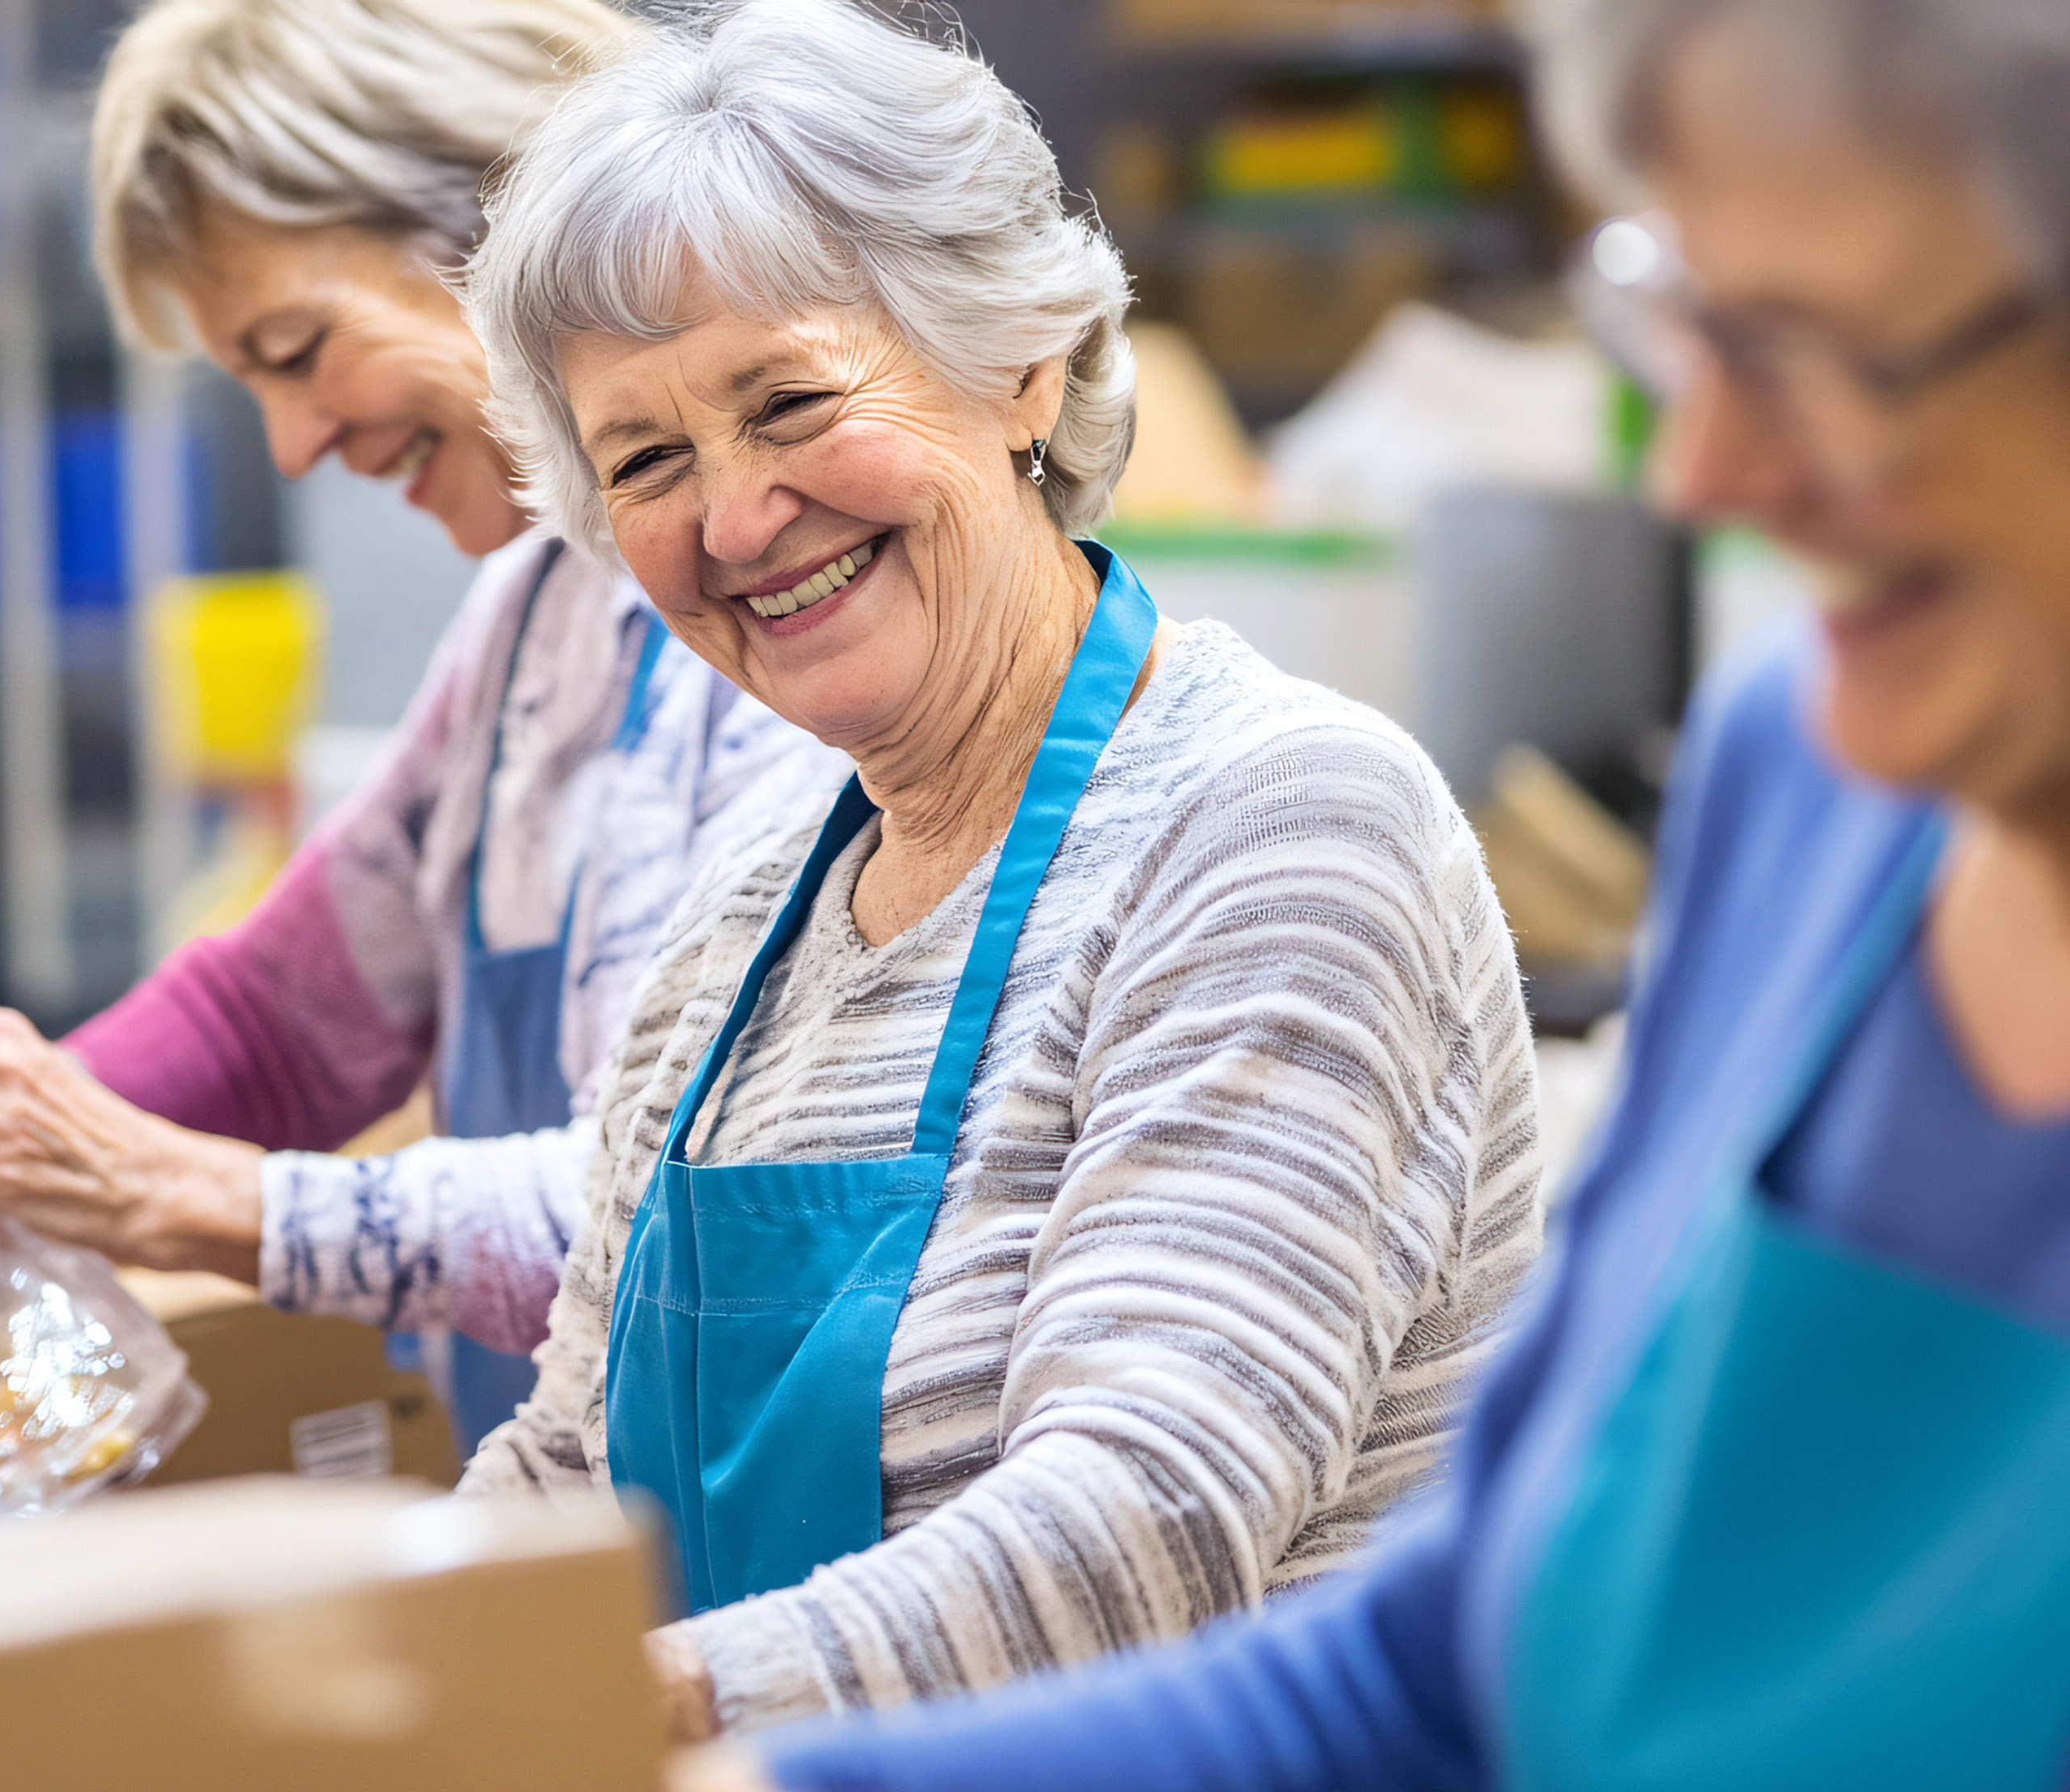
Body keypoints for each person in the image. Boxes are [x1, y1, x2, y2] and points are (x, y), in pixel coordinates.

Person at [710, 0, 2070, 1786]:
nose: (1701, 474)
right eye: (1683, 319)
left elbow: (1142, 1506)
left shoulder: (1279, 811)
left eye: (1817, 352)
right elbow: (1441, 1665)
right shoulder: (1809, 779)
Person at [436, 0, 1541, 1745]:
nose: (733, 520)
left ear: (1018, 362)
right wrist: (348, 1670)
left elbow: (1142, 1518)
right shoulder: (743, 932)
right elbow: (568, 1466)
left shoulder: (1280, 822)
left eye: (788, 400)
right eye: (647, 459)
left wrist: (588, 1710)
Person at [0, 0, 840, 1452]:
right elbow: (282, 1013)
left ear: (494, 228)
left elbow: (668, 1214)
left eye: (298, 351)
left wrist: (188, 1197)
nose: (295, 446)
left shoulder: (780, 629)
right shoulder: (535, 620)